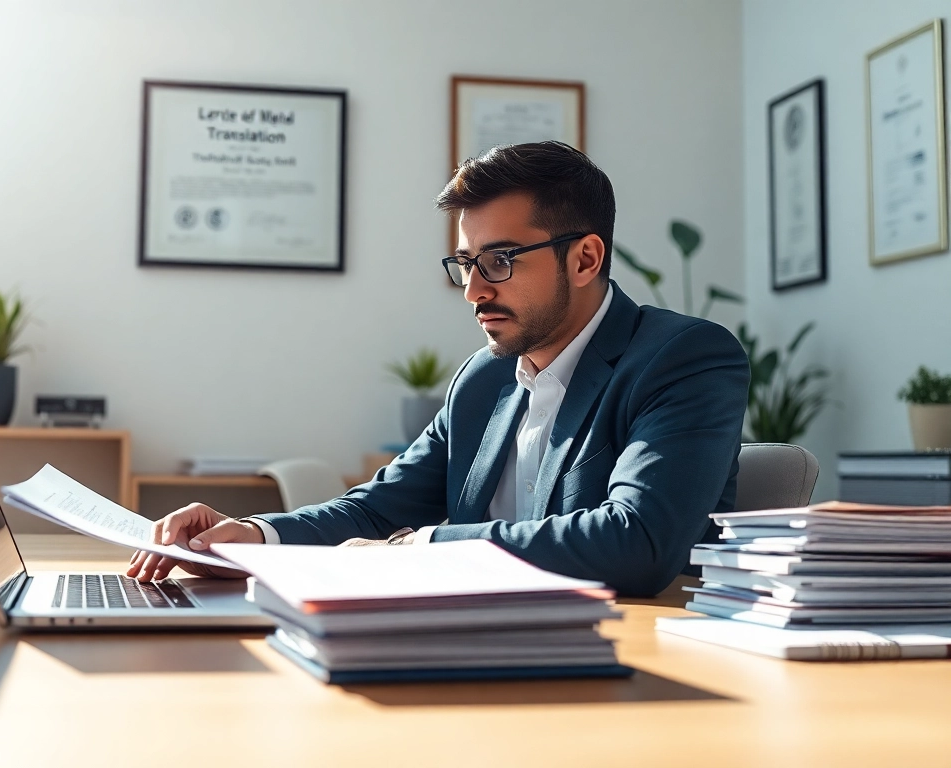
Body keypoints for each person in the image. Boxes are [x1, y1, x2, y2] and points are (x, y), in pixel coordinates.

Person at [128, 141, 750, 596]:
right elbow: (376, 511)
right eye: (465, 264)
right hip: (473, 646)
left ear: (585, 258)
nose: (473, 291)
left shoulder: (683, 359)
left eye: (500, 261)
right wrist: (253, 539)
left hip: (632, 667)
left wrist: (419, 550)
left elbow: (637, 543)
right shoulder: (482, 381)